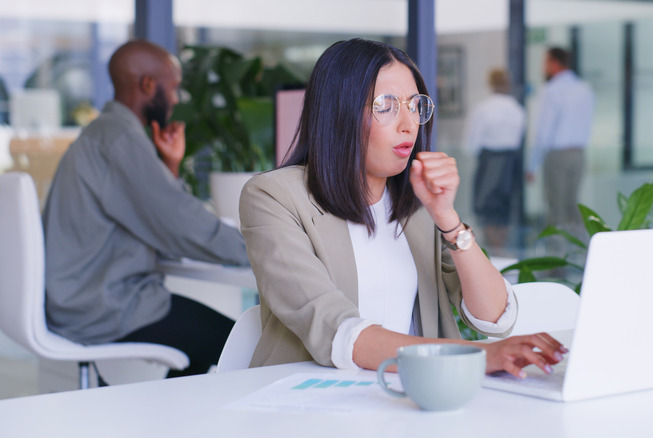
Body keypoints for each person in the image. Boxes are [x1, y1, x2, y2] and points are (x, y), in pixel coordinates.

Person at [239, 38, 565, 378]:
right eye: (386, 106)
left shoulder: (415, 203)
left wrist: (447, 218)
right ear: (339, 113)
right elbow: (334, 328)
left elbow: (496, 317)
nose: (409, 123)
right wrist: (477, 356)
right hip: (307, 400)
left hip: (409, 395)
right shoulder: (273, 196)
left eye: (415, 105)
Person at [42, 39, 250, 377]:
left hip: (82, 300)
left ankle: (173, 421)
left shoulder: (104, 134)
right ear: (148, 85)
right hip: (102, 307)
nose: (176, 98)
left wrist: (169, 166)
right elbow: (180, 224)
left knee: (201, 346)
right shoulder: (119, 140)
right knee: (242, 344)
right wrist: (265, 248)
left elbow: (157, 215)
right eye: (174, 88)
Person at [526, 47, 595, 233]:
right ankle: (581, 251)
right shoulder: (584, 89)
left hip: (557, 155)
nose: (544, 67)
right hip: (579, 154)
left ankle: (558, 255)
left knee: (556, 207)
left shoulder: (552, 90)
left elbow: (544, 131)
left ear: (554, 63)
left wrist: (533, 165)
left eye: (546, 62)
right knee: (572, 204)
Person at [463, 68, 525, 252]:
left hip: (489, 160)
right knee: (505, 208)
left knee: (487, 207)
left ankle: (493, 250)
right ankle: (502, 247)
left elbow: (471, 142)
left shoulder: (483, 108)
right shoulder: (517, 109)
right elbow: (518, 138)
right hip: (511, 162)